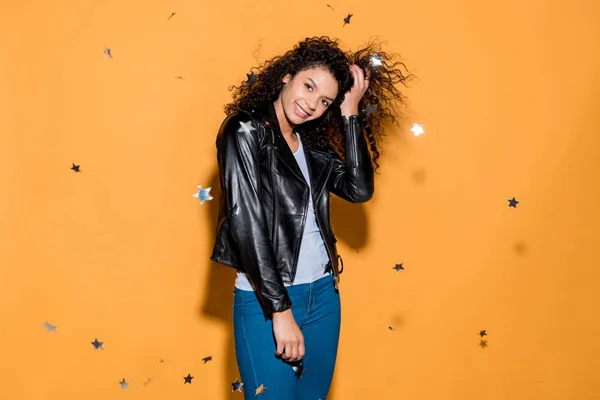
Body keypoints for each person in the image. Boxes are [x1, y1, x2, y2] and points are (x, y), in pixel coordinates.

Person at [210, 36, 412, 399]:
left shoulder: (312, 145)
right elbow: (246, 225)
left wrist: (350, 112)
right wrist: (279, 311)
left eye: (325, 101)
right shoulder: (244, 130)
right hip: (266, 300)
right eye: (308, 86)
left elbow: (358, 189)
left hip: (322, 295)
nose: (311, 105)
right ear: (287, 76)